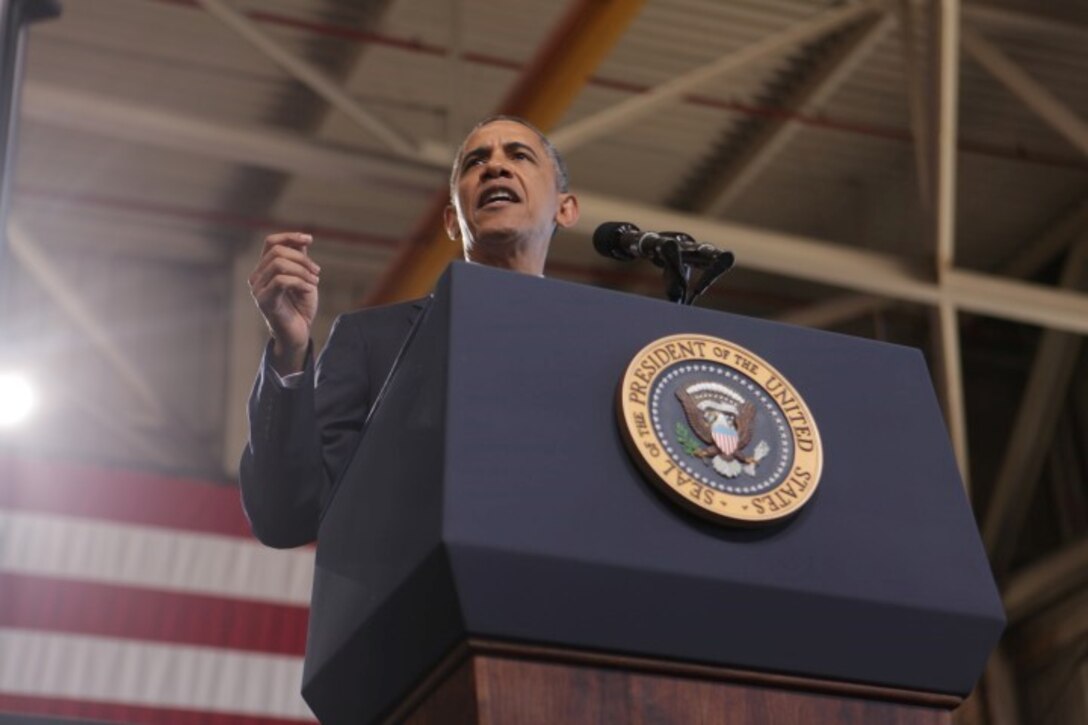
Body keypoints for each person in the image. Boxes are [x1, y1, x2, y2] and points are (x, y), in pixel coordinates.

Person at [240, 116, 580, 547]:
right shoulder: (372, 341)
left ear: (565, 209)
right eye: (476, 161)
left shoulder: (600, 352)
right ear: (452, 220)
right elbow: (287, 516)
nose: (495, 167)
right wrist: (290, 351)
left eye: (519, 155)